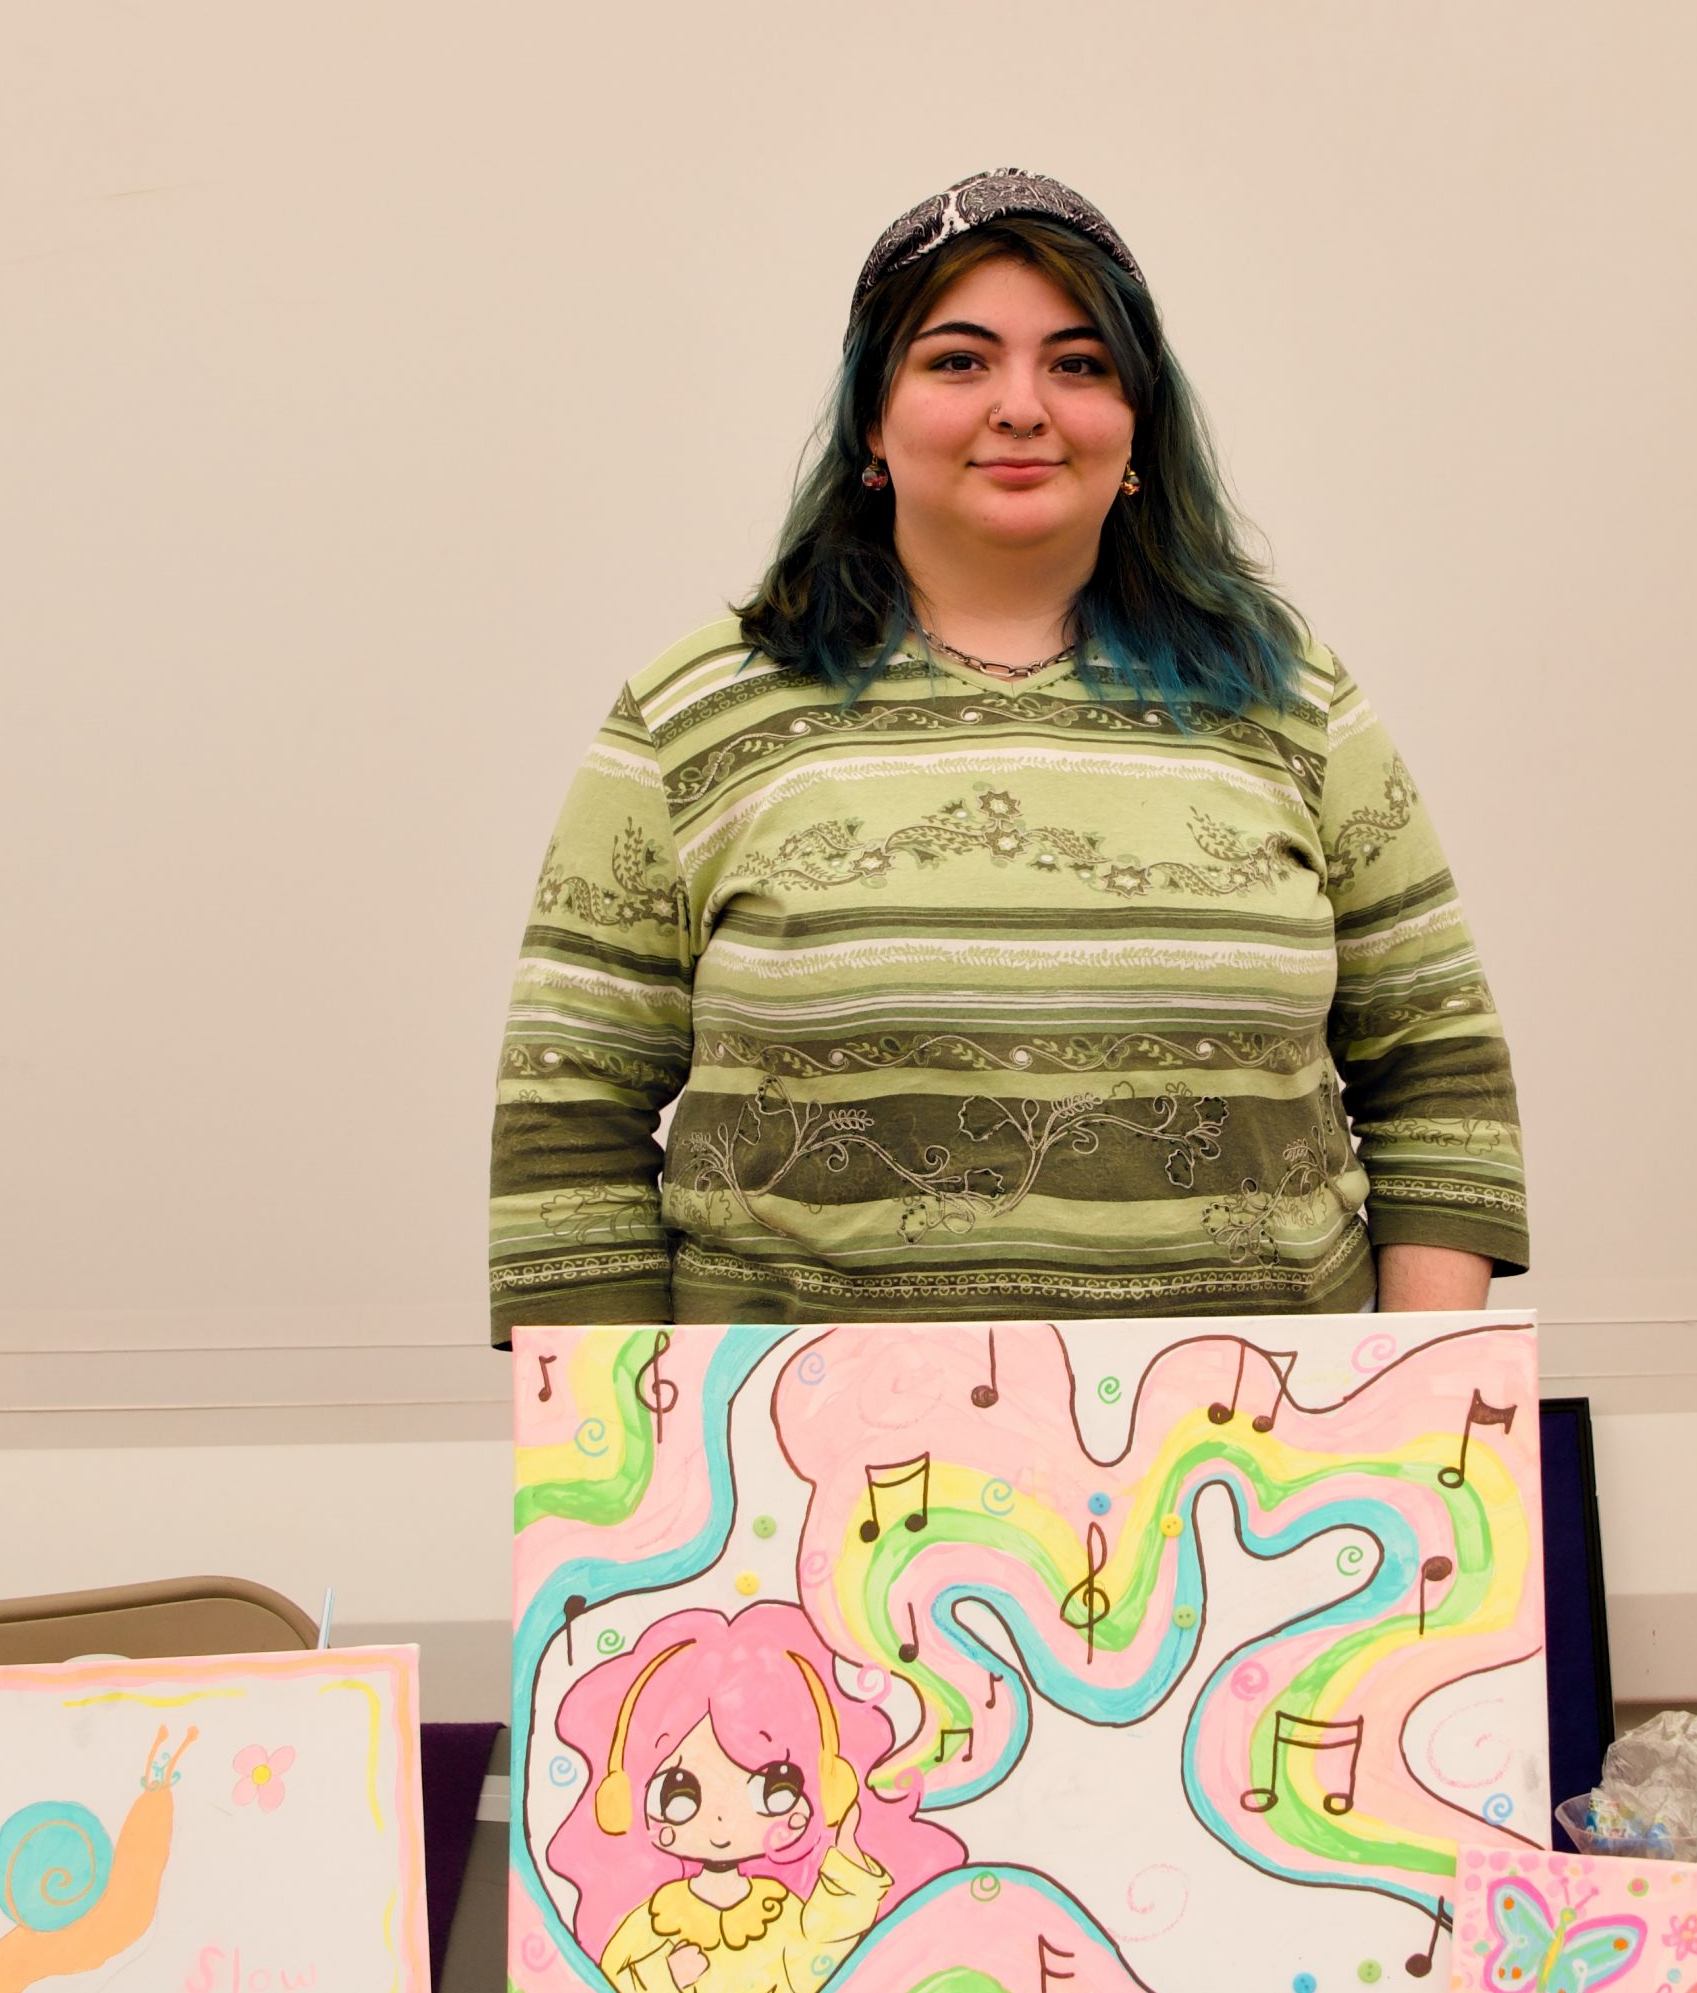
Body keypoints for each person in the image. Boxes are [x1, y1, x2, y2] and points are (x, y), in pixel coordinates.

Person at [489, 169, 1527, 1343]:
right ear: (872, 421)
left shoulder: (1294, 704)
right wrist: (638, 1467)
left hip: (1244, 1477)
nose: (1023, 406)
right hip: (800, 1489)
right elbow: (566, 1116)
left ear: (1138, 424)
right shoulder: (694, 713)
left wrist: (1408, 1406)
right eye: (959, 359)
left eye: (1078, 364)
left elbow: (1438, 1074)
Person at [544, 1601, 962, 1993]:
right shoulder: (650, 1921)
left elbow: (818, 1959)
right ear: (625, 1797)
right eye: (681, 1792)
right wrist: (665, 1979)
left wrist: (847, 1863)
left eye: (772, 1786)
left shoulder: (777, 1910)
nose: (722, 1816)